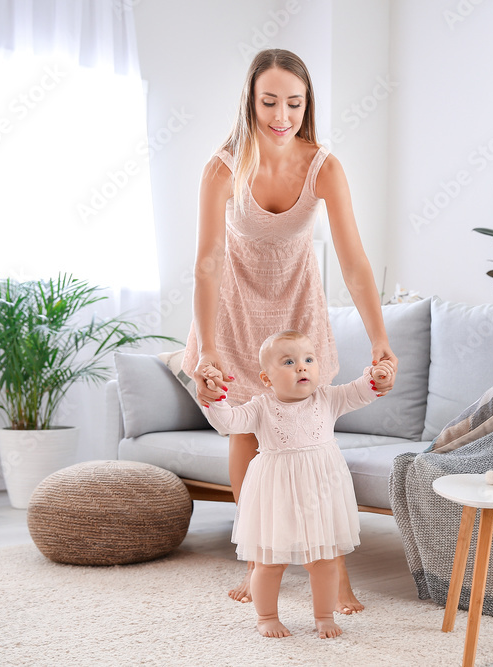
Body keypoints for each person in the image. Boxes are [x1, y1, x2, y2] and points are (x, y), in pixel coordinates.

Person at [181, 48, 398, 615]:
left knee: (313, 435)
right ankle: (259, 565)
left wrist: (380, 340)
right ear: (250, 101)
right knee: (247, 438)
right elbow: (206, 263)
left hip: (296, 302)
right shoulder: (223, 167)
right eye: (270, 101)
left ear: (308, 105)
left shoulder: (323, 165)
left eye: (294, 103)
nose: (282, 114)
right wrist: (205, 349)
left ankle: (337, 571)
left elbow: (353, 261)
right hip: (233, 303)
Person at [200, 330, 393, 638]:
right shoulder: (260, 406)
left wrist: (377, 377)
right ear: (267, 378)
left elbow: (362, 391)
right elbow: (229, 422)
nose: (302, 367)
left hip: (321, 492)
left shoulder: (329, 398)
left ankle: (323, 616)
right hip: (277, 494)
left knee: (325, 560)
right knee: (269, 562)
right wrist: (216, 397)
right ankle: (267, 617)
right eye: (289, 362)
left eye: (308, 359)